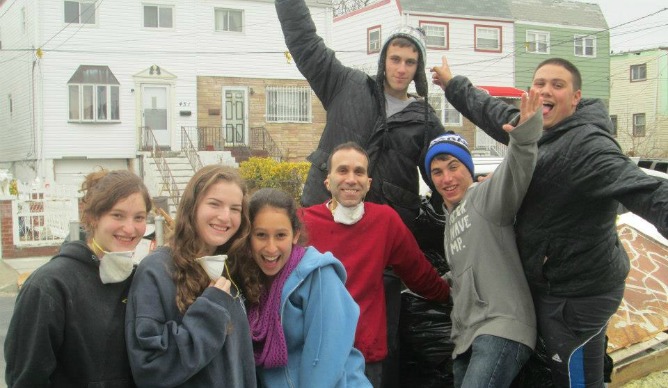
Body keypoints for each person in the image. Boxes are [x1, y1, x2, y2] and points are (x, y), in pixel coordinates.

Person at [432, 56, 668, 387]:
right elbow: (493, 113)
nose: (546, 91)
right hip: (556, 283)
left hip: (577, 292)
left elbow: (647, 190)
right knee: (574, 371)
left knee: (573, 377)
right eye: (540, 84)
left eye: (557, 85)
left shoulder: (589, 146)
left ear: (576, 98)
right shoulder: (538, 127)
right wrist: (453, 85)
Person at [275, 0, 444, 230]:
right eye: (395, 59)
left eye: (410, 62)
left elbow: (444, 179)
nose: (401, 69)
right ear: (383, 59)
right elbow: (305, 43)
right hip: (323, 223)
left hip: (379, 239)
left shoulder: (425, 122)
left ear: (418, 68)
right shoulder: (345, 84)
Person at [299, 142, 450, 388]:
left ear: (368, 183)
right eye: (342, 170)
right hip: (316, 353)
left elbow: (419, 275)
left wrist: (452, 296)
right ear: (328, 181)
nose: (351, 179)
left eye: (359, 172)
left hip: (366, 356)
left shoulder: (385, 221)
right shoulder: (303, 223)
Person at [425, 82, 543, 386]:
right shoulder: (451, 220)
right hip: (467, 335)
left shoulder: (483, 197)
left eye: (453, 167)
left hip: (501, 328)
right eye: (437, 172)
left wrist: (525, 135)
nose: (447, 178)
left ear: (468, 168)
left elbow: (515, 168)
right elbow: (467, 271)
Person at [4, 169, 152, 387]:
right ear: (92, 217)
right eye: (117, 215)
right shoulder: (48, 286)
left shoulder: (137, 280)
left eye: (138, 217)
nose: (130, 228)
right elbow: (27, 378)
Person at [125, 165, 256, 387]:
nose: (225, 217)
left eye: (235, 209)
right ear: (192, 206)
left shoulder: (229, 267)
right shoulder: (156, 271)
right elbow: (150, 367)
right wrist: (210, 310)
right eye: (214, 204)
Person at [229, 188, 371, 388]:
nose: (271, 248)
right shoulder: (245, 278)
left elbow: (325, 359)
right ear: (248, 237)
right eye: (261, 235)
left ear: (295, 235)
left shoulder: (319, 276)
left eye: (280, 235)